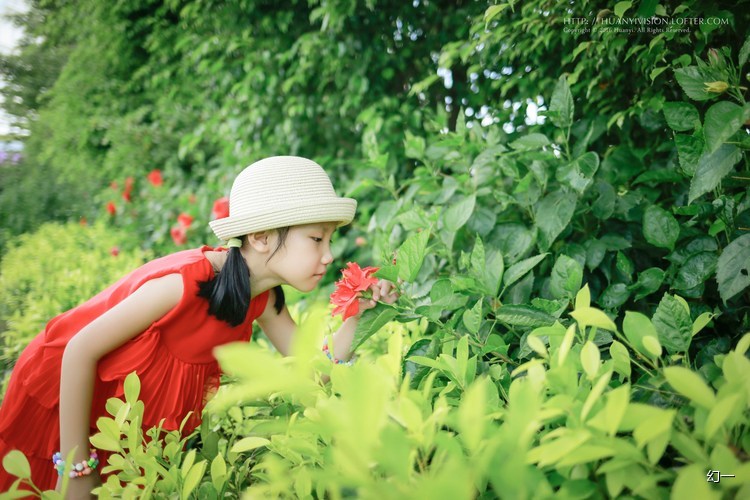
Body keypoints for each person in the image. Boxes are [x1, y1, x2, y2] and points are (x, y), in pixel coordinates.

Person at [0, 156, 399, 497]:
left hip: (119, 429)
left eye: (330, 238)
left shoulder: (263, 300)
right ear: (260, 237)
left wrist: (358, 313)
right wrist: (77, 472)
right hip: (61, 403)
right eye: (316, 238)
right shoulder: (182, 285)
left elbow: (317, 372)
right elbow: (78, 351)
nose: (329, 254)